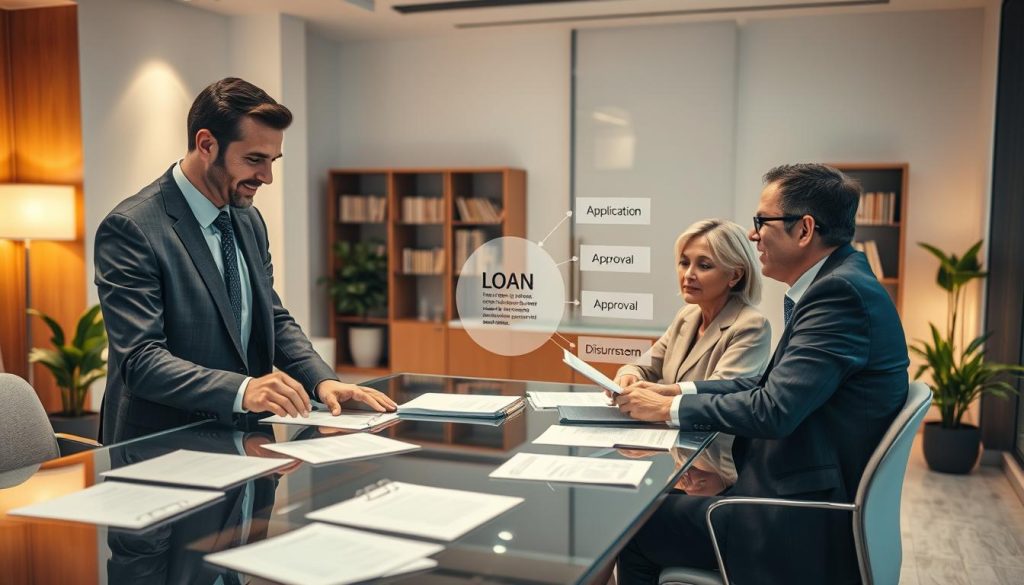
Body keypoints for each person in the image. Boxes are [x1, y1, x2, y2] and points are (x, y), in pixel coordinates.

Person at [614, 164, 910, 585]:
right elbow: (771, 387)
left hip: (793, 518)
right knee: (649, 501)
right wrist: (677, 392)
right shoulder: (840, 283)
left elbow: (774, 410)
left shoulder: (838, 295)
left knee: (634, 523)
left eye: (761, 222)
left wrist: (672, 406)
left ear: (804, 230)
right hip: (795, 490)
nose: (753, 235)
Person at [95, 77, 396, 444]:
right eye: (254, 160)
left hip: (244, 440)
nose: (267, 177)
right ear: (206, 144)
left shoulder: (246, 218)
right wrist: (243, 390)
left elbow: (270, 316)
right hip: (160, 446)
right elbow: (140, 361)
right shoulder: (132, 228)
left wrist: (323, 380)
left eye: (272, 161)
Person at [613, 218, 771, 485]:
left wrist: (656, 401)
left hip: (716, 466)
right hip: (675, 453)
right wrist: (627, 376)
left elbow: (721, 391)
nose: (688, 274)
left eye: (704, 265)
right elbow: (645, 365)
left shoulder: (751, 325)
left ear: (735, 275)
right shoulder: (687, 316)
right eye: (684, 262)